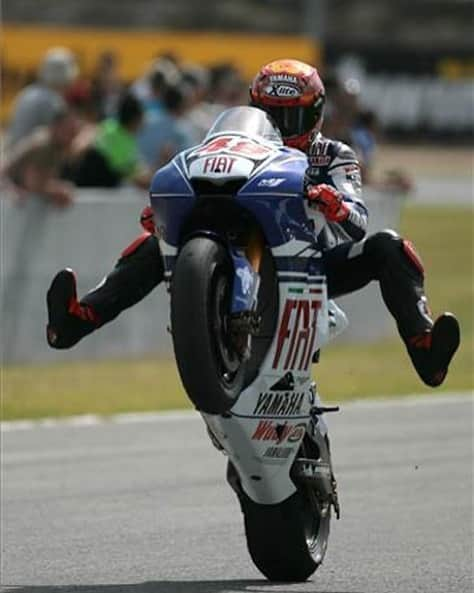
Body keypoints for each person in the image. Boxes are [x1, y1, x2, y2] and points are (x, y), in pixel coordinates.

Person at [46, 59, 460, 389]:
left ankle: (424, 346)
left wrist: (333, 201)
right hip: (235, 241)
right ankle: (79, 318)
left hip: (310, 264)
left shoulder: (335, 155)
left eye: (290, 118)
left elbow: (357, 221)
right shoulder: (237, 143)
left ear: (314, 116)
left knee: (389, 245)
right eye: (269, 115)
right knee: (155, 243)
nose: (278, 127)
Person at [2, 106, 79, 207]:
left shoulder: (57, 146)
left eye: (74, 131)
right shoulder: (45, 144)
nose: (73, 136)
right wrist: (57, 190)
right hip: (6, 183)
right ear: (55, 126)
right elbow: (32, 182)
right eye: (69, 130)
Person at [72, 92, 151, 189]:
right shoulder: (123, 140)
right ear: (135, 119)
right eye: (142, 118)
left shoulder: (108, 125)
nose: (143, 123)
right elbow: (122, 170)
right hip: (95, 184)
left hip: (83, 181)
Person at [7, 47, 79, 149]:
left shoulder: (28, 92)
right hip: (30, 160)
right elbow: (62, 139)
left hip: (14, 156)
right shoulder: (51, 100)